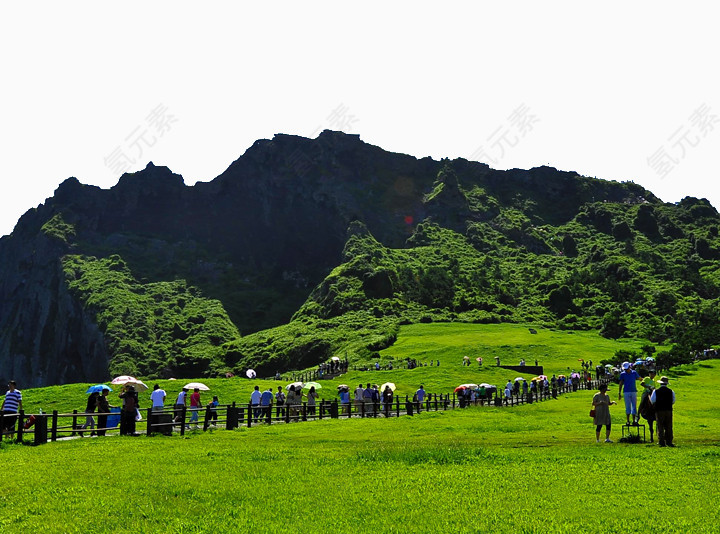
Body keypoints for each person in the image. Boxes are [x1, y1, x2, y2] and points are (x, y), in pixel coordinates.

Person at [650, 376, 675, 447]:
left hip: (659, 410)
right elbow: (673, 400)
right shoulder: (671, 391)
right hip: (668, 410)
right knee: (669, 425)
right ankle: (669, 441)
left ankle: (661, 441)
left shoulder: (656, 391)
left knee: (660, 425)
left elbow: (652, 400)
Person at [639, 375, 657, 442]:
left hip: (652, 392)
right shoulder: (646, 378)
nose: (652, 375)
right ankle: (638, 414)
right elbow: (642, 383)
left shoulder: (653, 381)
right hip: (646, 392)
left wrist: (653, 389)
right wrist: (648, 387)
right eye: (651, 373)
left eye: (653, 373)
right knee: (643, 401)